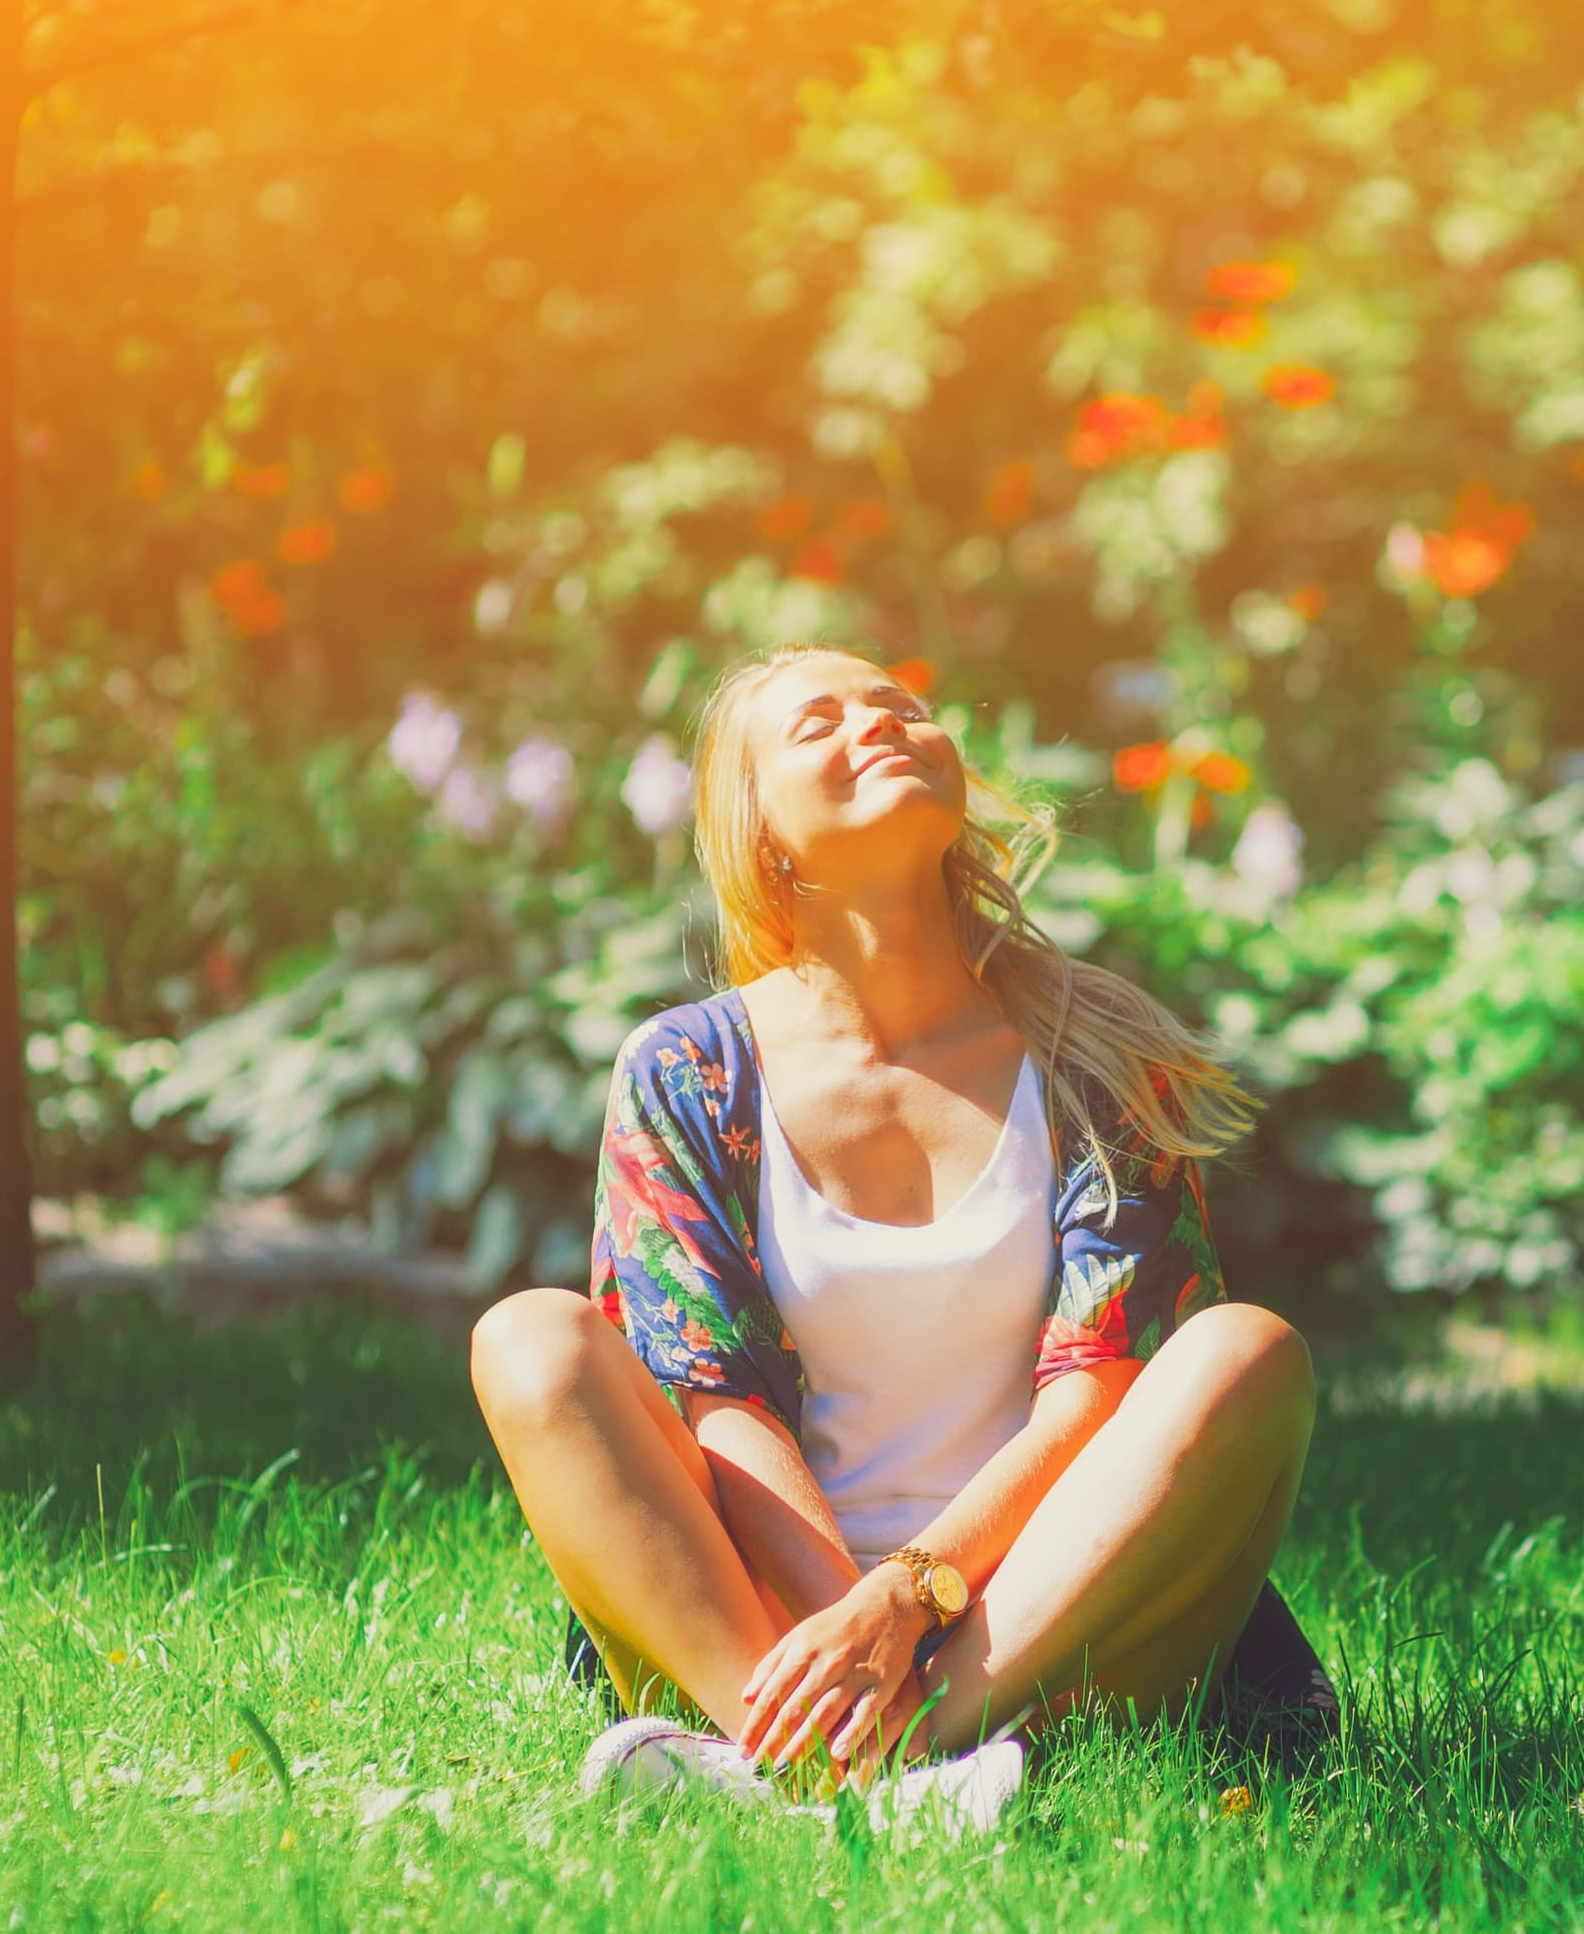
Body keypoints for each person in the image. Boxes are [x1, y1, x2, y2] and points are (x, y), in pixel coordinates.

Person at [468, 643, 1331, 1816]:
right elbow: (716, 1401)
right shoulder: (690, 1071)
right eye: (818, 722)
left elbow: (1099, 1398)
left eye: (899, 707)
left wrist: (911, 1600)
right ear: (759, 826)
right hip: (765, 1626)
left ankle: (866, 1766)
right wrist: (842, 1624)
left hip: (1048, 1616)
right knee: (531, 1338)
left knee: (1246, 1351)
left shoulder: (1093, 1052)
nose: (876, 724)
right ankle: (820, 1752)